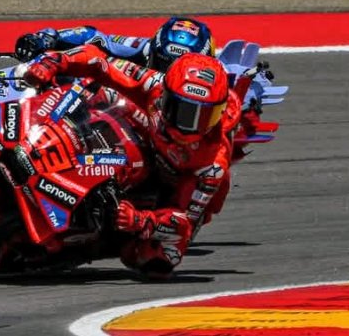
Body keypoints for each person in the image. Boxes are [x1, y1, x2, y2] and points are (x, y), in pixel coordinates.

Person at [24, 44, 240, 278]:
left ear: (218, 114)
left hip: (168, 188)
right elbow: (99, 61)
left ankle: (84, 240)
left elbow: (184, 221)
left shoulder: (212, 163)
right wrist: (56, 61)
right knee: (91, 90)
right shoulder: (155, 84)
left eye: (205, 116)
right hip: (139, 135)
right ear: (166, 95)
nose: (190, 124)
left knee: (157, 260)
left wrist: (142, 220)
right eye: (182, 110)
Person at [14, 17, 215, 71]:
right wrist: (48, 37)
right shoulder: (143, 47)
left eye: (179, 68)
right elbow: (96, 37)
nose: (167, 75)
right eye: (162, 63)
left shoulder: (218, 82)